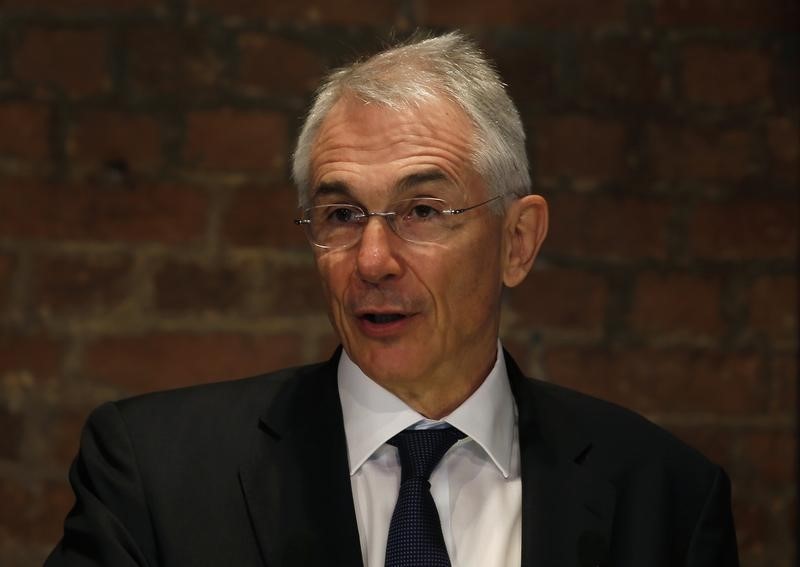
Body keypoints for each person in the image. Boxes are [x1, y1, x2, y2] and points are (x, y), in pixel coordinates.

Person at [46, 32, 739, 567]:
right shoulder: (156, 471)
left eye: (423, 210)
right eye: (342, 215)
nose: (372, 260)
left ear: (517, 241)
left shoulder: (664, 496)